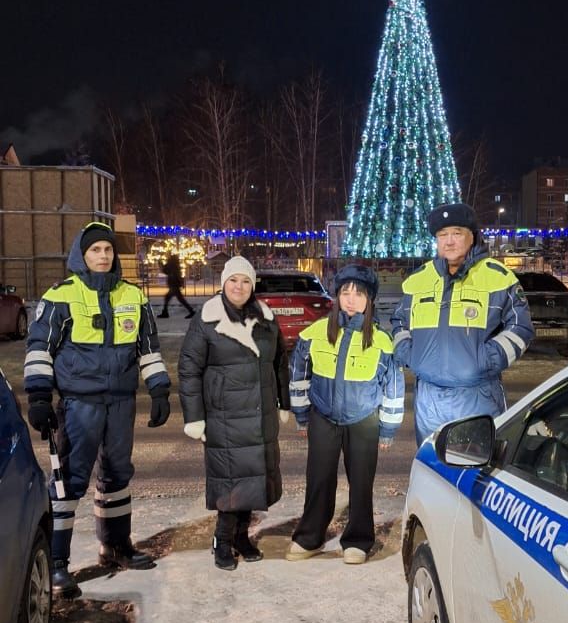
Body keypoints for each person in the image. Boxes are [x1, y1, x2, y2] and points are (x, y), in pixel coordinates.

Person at [24, 221, 171, 599]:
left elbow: (148, 348)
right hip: (79, 404)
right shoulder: (61, 296)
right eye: (95, 250)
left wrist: (159, 390)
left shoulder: (134, 297)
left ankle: (116, 547)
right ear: (82, 255)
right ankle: (57, 563)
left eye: (108, 250)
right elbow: (40, 349)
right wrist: (39, 397)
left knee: (117, 475)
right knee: (69, 481)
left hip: (121, 402)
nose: (103, 256)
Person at [287, 263, 404, 565]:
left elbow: (393, 386)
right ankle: (310, 536)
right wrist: (301, 415)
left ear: (369, 299)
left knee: (361, 483)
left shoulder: (382, 341)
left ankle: (358, 540)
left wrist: (389, 428)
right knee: (319, 479)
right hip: (323, 417)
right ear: (337, 296)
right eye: (345, 292)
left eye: (359, 293)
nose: (351, 299)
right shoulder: (314, 334)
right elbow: (299, 376)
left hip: (364, 420)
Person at [178, 256, 290, 570]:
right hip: (224, 416)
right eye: (233, 280)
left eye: (245, 281)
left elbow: (279, 362)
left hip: (259, 413)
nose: (239, 287)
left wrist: (283, 401)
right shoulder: (207, 319)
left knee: (253, 482)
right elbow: (189, 369)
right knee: (231, 484)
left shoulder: (266, 318)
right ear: (223, 283)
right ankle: (222, 540)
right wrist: (194, 417)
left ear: (252, 286)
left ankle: (242, 537)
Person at [391, 202, 535, 444]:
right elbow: (399, 322)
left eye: (457, 233)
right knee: (433, 469)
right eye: (442, 235)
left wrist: (486, 360)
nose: (449, 241)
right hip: (429, 398)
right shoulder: (418, 280)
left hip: (477, 396)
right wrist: (410, 355)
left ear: (472, 236)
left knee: (475, 471)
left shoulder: (497, 277)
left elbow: (521, 328)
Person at [158, 252, 194, 318]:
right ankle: (191, 311)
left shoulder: (171, 264)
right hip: (175, 284)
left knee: (176, 299)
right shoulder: (175, 265)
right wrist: (181, 282)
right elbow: (176, 274)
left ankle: (191, 311)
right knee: (175, 298)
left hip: (173, 284)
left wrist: (161, 264)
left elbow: (166, 271)